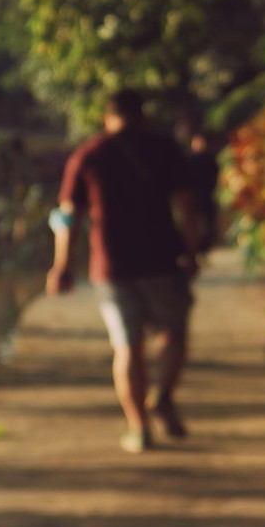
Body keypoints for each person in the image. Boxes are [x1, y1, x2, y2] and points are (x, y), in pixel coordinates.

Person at [46, 88, 200, 453]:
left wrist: (61, 266)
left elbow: (68, 217)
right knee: (173, 333)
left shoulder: (89, 154)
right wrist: (191, 252)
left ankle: (138, 426)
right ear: (142, 115)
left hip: (111, 266)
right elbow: (187, 205)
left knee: (127, 346)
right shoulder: (163, 149)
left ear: (106, 116)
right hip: (162, 259)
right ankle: (162, 397)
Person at [186, 130, 220, 264]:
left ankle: (203, 250)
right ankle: (195, 250)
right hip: (194, 197)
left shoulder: (210, 159)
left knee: (208, 224)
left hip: (206, 195)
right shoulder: (188, 159)